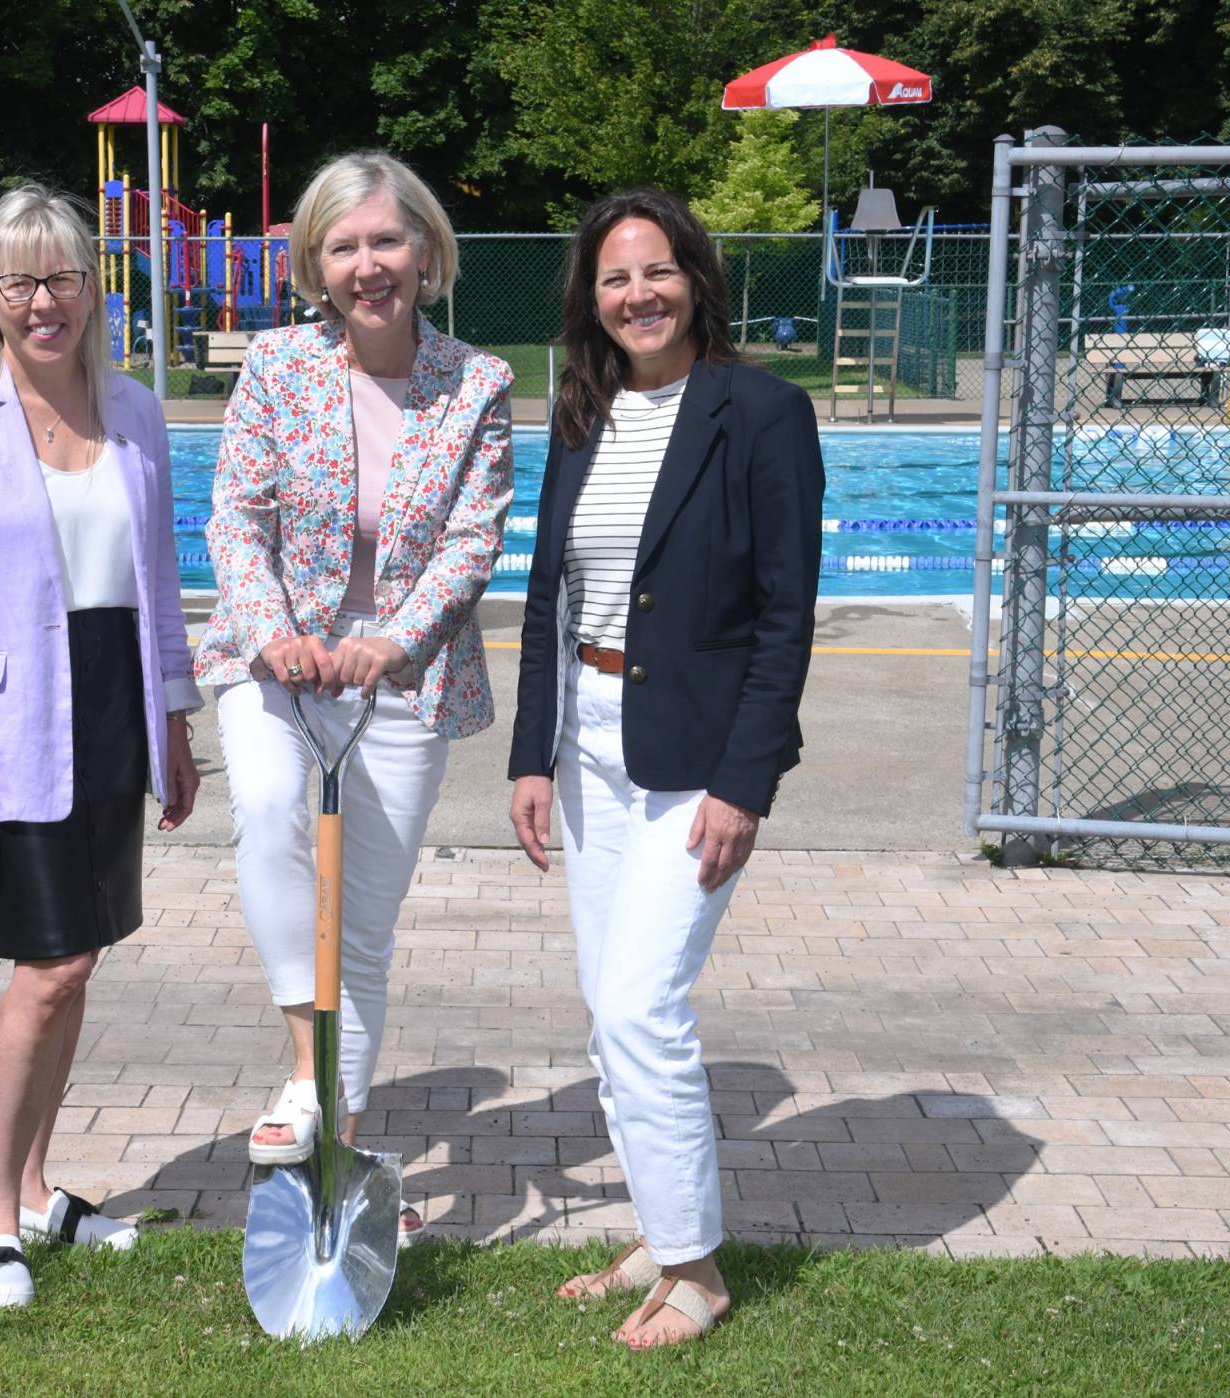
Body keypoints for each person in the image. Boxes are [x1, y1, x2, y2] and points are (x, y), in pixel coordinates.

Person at [506, 188, 823, 1348]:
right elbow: (547, 594)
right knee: (609, 1013)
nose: (638, 295)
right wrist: (532, 754)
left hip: (696, 759)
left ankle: (696, 1268)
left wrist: (746, 782)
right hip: (587, 744)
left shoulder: (763, 412)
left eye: (657, 271)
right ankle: (657, 1228)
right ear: (590, 299)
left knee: (643, 1005)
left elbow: (786, 614)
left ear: (695, 278)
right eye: (614, 278)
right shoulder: (581, 414)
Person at [0, 184, 202, 1310]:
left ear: (90, 289)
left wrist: (175, 718)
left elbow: (157, 577)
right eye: (17, 281)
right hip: (10, 726)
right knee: (49, 966)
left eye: (62, 277)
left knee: (84, 960)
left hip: (115, 706)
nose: (42, 301)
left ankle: (33, 1192)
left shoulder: (135, 411)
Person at [195, 151, 513, 1243]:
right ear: (315, 265)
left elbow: (472, 542)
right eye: (344, 247)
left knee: (361, 927)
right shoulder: (277, 366)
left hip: (403, 677)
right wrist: (276, 631)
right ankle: (306, 1071)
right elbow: (237, 518)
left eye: (386, 241)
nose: (367, 265)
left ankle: (341, 1152)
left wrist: (392, 640)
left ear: (425, 252)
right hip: (276, 662)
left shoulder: (478, 383)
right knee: (268, 808)